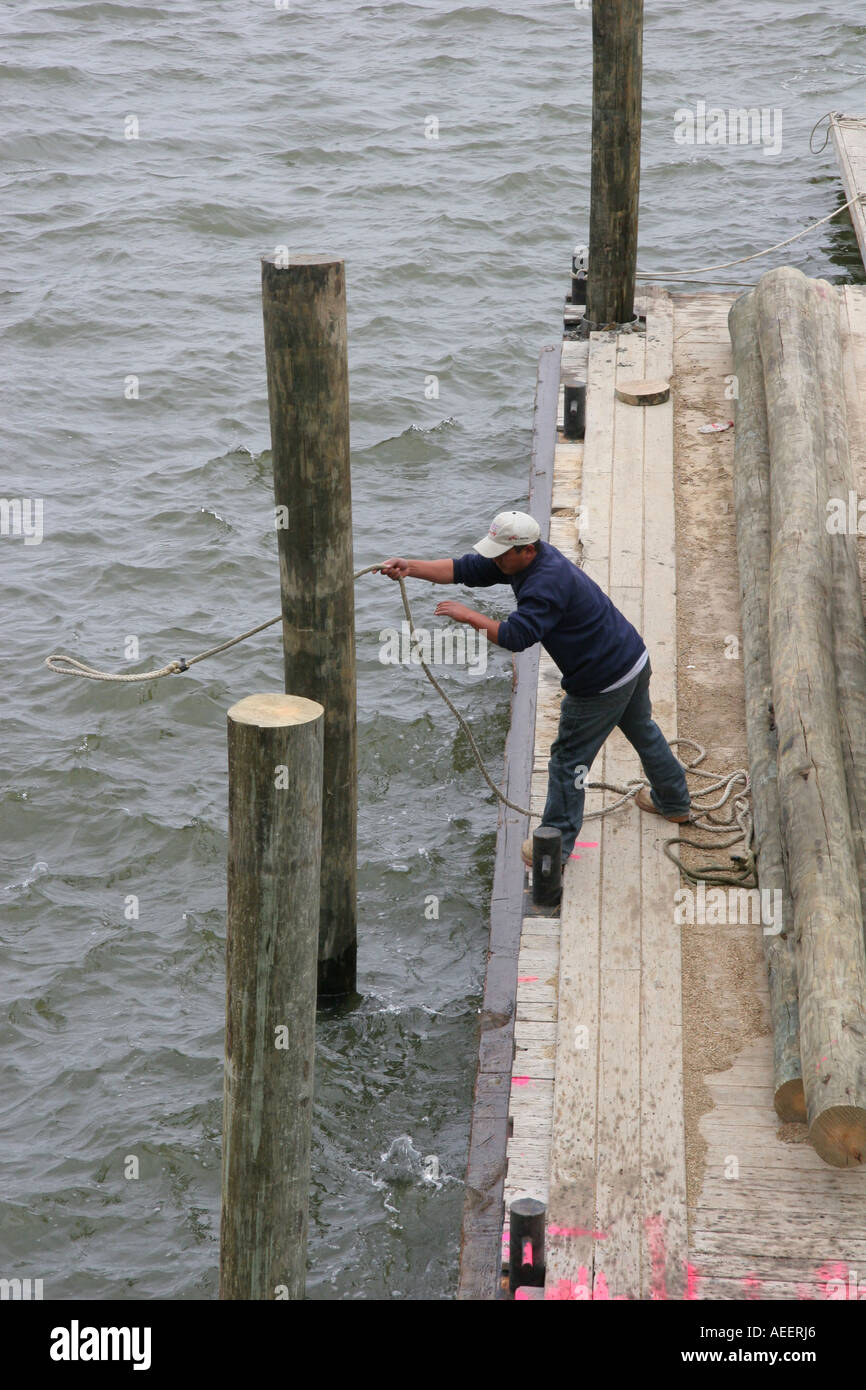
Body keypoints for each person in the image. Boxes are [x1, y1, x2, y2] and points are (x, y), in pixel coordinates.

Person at [379, 509, 691, 874]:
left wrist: (468, 616)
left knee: (567, 761)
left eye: (500, 553)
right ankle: (674, 802)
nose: (494, 559)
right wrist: (410, 567)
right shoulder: (519, 559)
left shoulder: (545, 582)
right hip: (632, 657)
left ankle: (553, 847)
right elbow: (463, 569)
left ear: (526, 551)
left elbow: (516, 637)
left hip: (601, 681)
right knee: (642, 729)